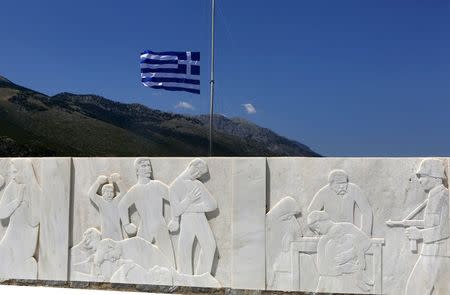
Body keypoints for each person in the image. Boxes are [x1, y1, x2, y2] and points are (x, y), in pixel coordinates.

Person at [402, 159, 450, 295]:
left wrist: (420, 234)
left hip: (440, 255)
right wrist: (410, 224)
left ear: (435, 177)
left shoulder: (444, 196)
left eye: (422, 176)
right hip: (429, 252)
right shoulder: (434, 196)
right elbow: (432, 223)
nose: (420, 180)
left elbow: (446, 229)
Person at [118, 158, 175, 267]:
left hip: (160, 224)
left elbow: (174, 199)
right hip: (144, 226)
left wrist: (175, 219)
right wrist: (126, 224)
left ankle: (171, 277)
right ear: (137, 171)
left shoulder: (157, 185)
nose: (148, 168)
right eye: (144, 166)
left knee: (168, 257)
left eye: (149, 165)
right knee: (140, 256)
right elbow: (122, 206)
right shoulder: (135, 190)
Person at [168, 158, 217, 275]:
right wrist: (188, 200)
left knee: (210, 246)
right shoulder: (174, 187)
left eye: (200, 173)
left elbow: (212, 204)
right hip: (186, 220)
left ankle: (202, 276)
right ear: (191, 165)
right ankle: (185, 277)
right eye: (196, 170)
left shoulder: (197, 184)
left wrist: (192, 208)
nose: (197, 174)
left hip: (200, 219)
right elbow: (176, 210)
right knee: (184, 248)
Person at [307, 210, 373, 293]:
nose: (318, 232)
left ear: (319, 224)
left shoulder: (348, 227)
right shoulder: (323, 241)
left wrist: (350, 254)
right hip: (336, 277)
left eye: (316, 228)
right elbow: (322, 269)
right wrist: (342, 268)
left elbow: (366, 242)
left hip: (353, 273)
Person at [0, 159, 41, 279]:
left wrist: (26, 203)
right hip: (11, 237)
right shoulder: (13, 186)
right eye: (11, 172)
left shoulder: (36, 191)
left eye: (15, 172)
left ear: (24, 171)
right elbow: (2, 213)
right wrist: (17, 201)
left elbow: (34, 221)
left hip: (26, 241)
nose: (12, 177)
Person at [308, 169, 373, 236]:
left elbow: (366, 210)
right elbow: (311, 212)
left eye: (344, 183)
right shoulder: (323, 193)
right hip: (329, 234)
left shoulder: (354, 189)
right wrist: (318, 232)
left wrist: (365, 233)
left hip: (349, 232)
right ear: (331, 185)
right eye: (338, 184)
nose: (342, 186)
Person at [266, 196, 302, 289]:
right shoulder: (269, 221)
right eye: (289, 215)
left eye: (292, 215)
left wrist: (290, 236)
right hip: (272, 258)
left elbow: (298, 236)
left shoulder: (291, 221)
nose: (291, 217)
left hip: (286, 257)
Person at [89, 173, 126, 241]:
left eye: (111, 192)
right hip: (106, 231)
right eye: (107, 192)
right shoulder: (101, 202)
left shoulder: (116, 201)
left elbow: (124, 193)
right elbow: (91, 194)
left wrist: (118, 181)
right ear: (103, 193)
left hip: (116, 231)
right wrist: (98, 182)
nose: (109, 194)